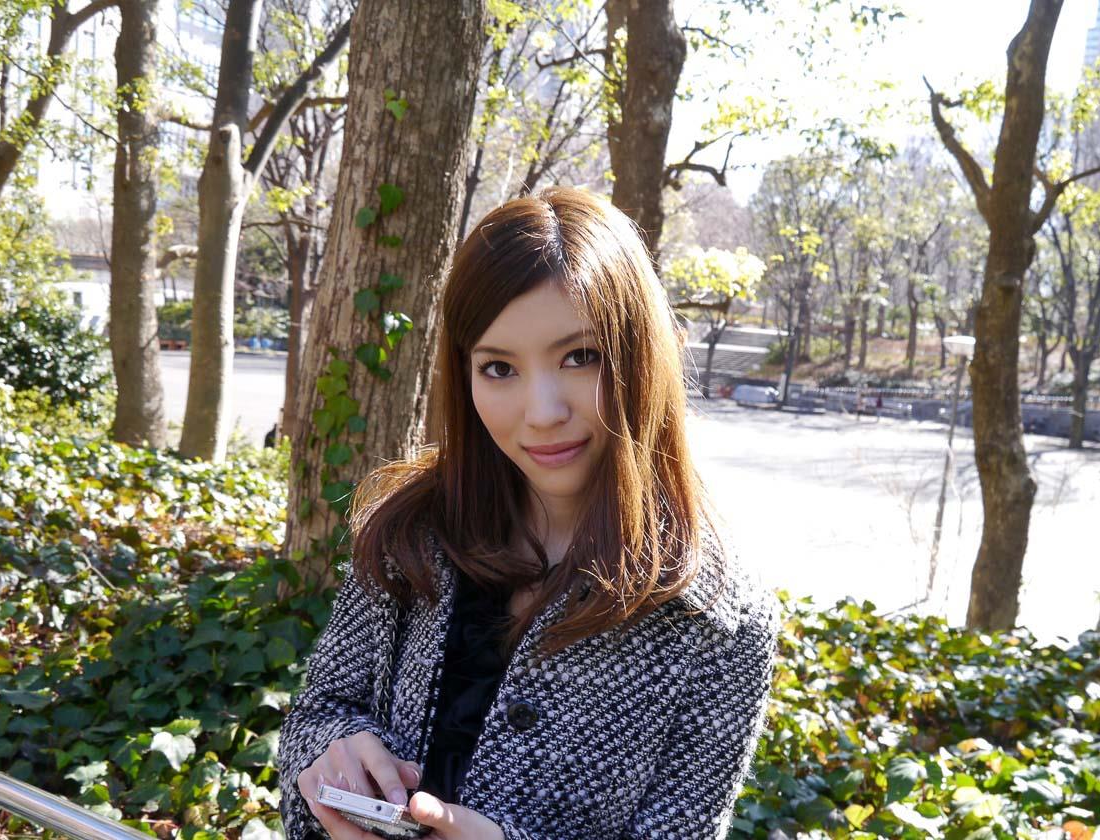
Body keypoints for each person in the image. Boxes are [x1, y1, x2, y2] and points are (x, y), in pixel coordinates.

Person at [277, 185, 781, 840]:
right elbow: (320, 712)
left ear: (642, 357)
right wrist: (329, 755)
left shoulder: (718, 615)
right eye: (499, 368)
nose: (542, 412)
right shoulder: (413, 529)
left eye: (580, 357)